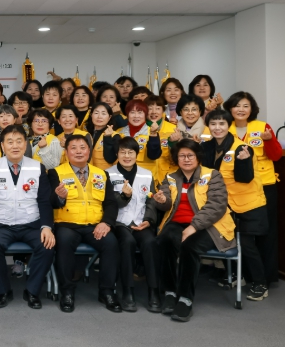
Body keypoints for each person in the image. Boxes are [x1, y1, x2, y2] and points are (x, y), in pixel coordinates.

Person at [0, 124, 55, 309]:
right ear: (2, 146)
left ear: (25, 144)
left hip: (31, 223)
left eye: (19, 141)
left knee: (47, 246)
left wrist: (46, 227)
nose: (15, 146)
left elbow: (44, 201)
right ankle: (3, 291)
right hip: (0, 224)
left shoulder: (37, 168)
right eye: (10, 142)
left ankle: (32, 291)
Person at [156, 139, 236, 322]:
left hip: (209, 225)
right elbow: (166, 203)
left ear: (198, 157)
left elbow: (217, 205)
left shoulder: (212, 175)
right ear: (176, 158)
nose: (186, 159)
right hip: (177, 223)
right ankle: (169, 292)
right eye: (182, 156)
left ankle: (185, 299)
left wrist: (193, 227)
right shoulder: (170, 177)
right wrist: (162, 201)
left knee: (190, 246)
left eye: (190, 155)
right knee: (163, 241)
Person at [49, 134, 121, 313]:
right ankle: (67, 292)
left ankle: (107, 292)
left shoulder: (101, 174)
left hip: (94, 225)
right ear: (66, 152)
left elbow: (111, 203)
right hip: (67, 224)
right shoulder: (55, 173)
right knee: (64, 242)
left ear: (89, 151)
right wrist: (59, 197)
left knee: (111, 243)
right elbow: (50, 202)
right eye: (73, 148)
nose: (79, 151)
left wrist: (106, 223)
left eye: (83, 147)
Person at [203, 109, 269, 300]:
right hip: (224, 204)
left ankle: (260, 283)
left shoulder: (242, 148)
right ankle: (238, 276)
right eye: (213, 124)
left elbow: (246, 178)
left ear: (228, 125)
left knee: (246, 245)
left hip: (247, 204)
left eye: (222, 124)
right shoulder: (207, 147)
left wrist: (243, 162)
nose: (217, 128)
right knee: (225, 240)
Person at [224, 92, 282, 286]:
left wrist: (269, 140)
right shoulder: (223, 127)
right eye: (236, 105)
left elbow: (276, 156)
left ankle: (268, 276)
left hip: (264, 186)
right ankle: (244, 275)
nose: (241, 109)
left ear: (252, 109)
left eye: (245, 106)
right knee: (241, 234)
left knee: (267, 232)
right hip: (235, 189)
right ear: (230, 108)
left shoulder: (263, 127)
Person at [107, 136, 169, 313]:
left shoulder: (146, 174)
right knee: (127, 243)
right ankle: (128, 291)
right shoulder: (107, 174)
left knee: (150, 242)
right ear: (117, 154)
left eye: (131, 152)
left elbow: (151, 201)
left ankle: (154, 291)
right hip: (119, 223)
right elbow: (109, 203)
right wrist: (124, 196)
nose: (127, 156)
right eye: (123, 152)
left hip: (141, 221)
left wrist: (149, 220)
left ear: (137, 154)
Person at [110, 99, 162, 176]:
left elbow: (154, 155)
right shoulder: (118, 133)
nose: (136, 116)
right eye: (132, 112)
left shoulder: (152, 132)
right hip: (121, 177)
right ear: (127, 115)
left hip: (145, 178)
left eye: (140, 112)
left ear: (145, 115)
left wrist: (153, 134)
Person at [147, 95, 177, 183]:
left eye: (158, 108)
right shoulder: (141, 129)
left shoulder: (173, 128)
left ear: (163, 110)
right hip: (147, 175)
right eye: (150, 108)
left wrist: (173, 143)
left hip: (168, 175)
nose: (154, 112)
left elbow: (178, 156)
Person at [85, 102, 117, 170]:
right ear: (91, 115)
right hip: (88, 173)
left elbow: (110, 159)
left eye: (103, 113)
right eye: (96, 113)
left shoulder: (115, 136)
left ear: (109, 117)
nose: (99, 116)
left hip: (106, 173)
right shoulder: (86, 134)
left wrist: (107, 138)